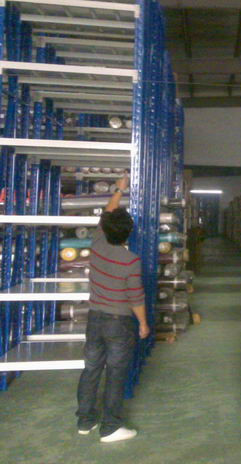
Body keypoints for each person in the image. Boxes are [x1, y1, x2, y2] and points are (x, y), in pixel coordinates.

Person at [76, 175, 149, 443]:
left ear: (105, 228)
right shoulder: (130, 261)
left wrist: (120, 189)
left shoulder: (97, 243)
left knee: (91, 369)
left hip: (94, 318)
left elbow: (107, 213)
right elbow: (135, 297)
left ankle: (85, 421)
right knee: (116, 374)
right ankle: (110, 427)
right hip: (119, 323)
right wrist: (143, 324)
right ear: (128, 233)